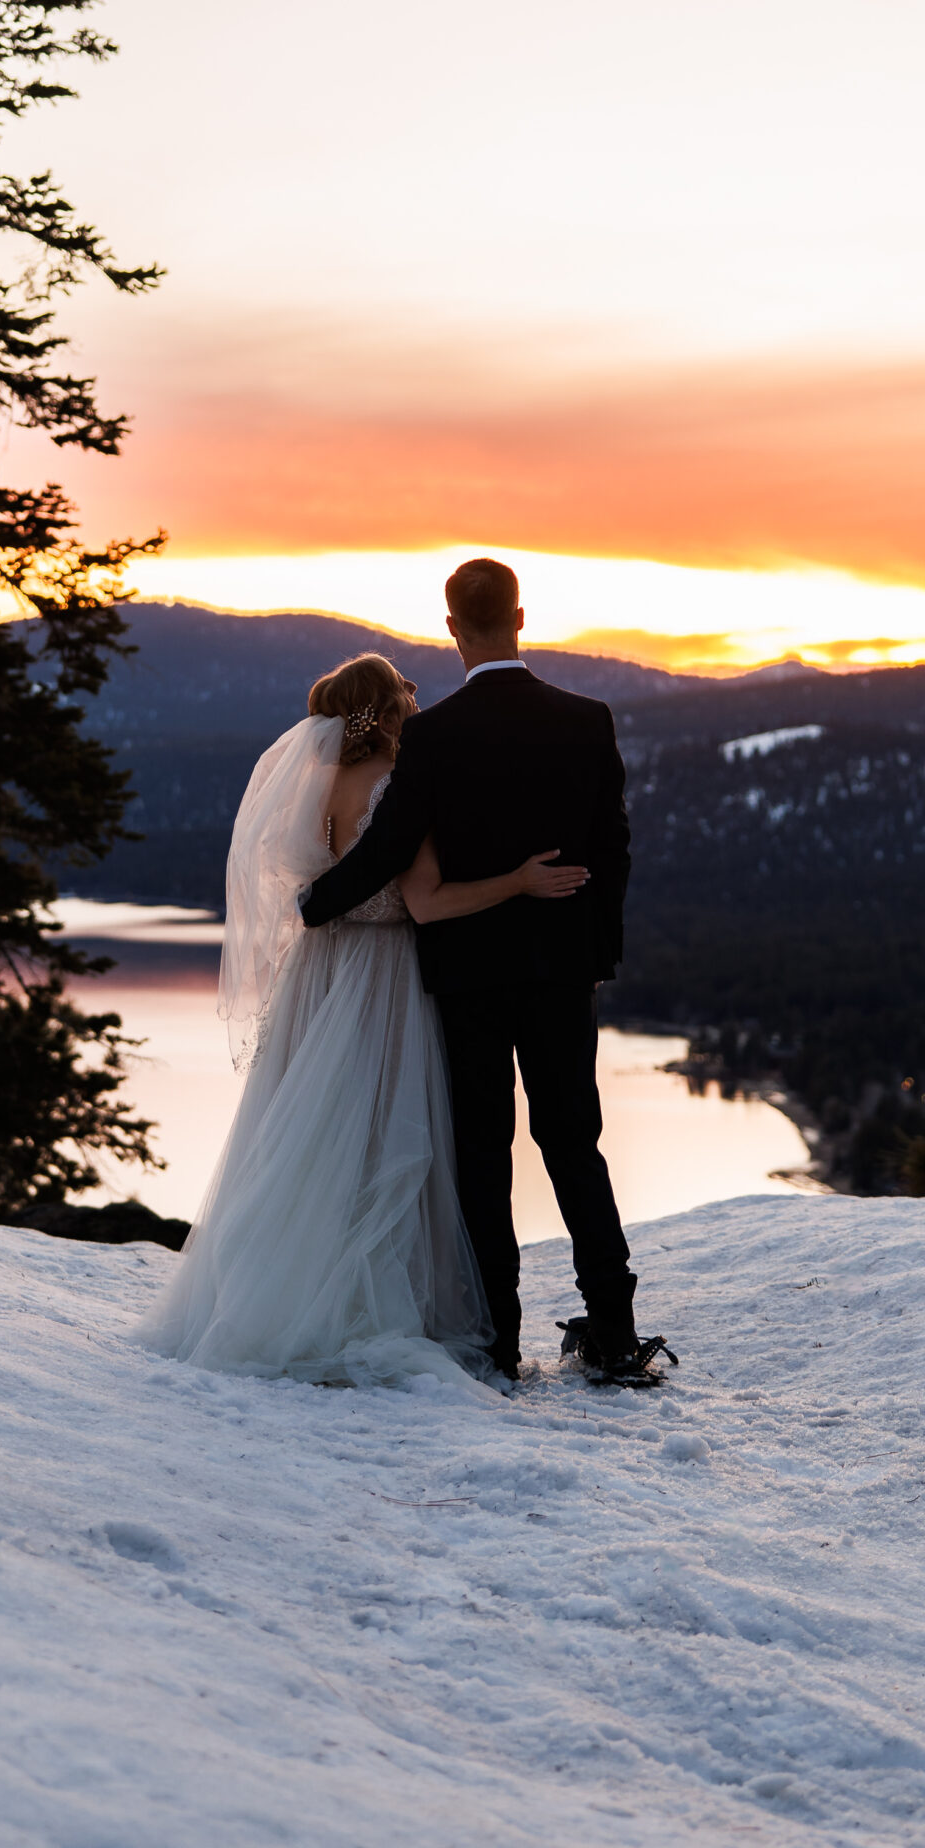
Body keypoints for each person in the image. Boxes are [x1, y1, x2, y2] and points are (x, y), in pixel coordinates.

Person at [133, 651, 588, 1388]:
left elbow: (309, 893)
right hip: (381, 978)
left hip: (317, 976)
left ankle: (273, 1293)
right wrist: (520, 882)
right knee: (384, 1144)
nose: (415, 707)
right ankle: (370, 1304)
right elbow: (429, 903)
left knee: (311, 1139)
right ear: (386, 711)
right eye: (406, 697)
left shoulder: (312, 787)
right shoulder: (390, 788)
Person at [302, 559, 666, 1386]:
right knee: (575, 1146)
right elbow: (612, 849)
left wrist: (313, 906)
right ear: (520, 617)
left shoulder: (434, 735)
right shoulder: (586, 718)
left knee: (482, 1155)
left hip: (466, 975)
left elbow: (390, 849)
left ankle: (496, 1345)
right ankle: (613, 1334)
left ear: (452, 629)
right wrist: (594, 955)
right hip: (562, 971)